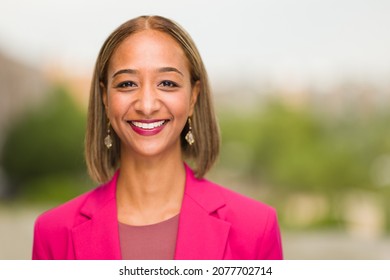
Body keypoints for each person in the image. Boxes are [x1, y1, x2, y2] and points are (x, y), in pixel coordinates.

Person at [32, 15, 283, 260]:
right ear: (106, 98)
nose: (148, 105)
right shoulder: (53, 233)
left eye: (167, 83)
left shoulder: (256, 228)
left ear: (194, 96)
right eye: (127, 84)